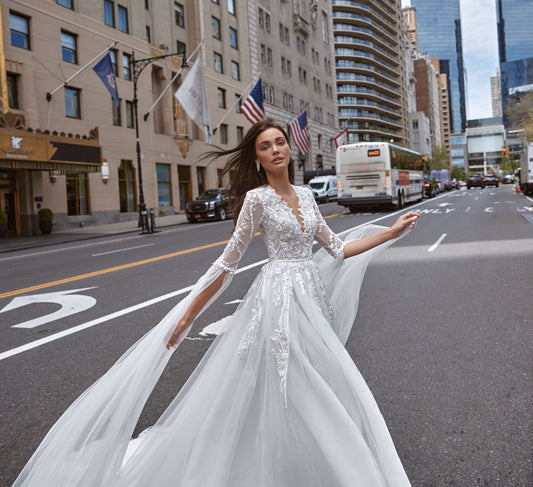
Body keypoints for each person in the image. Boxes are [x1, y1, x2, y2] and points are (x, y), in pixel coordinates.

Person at [13, 121, 418, 487]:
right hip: (276, 302)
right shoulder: (256, 201)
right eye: (265, 146)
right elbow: (227, 264)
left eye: (280, 143)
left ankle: (314, 463)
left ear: (289, 150)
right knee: (287, 383)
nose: (276, 150)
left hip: (310, 301)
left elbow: (340, 248)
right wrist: (187, 315)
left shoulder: (309, 197)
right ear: (257, 158)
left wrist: (392, 231)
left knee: (324, 379)